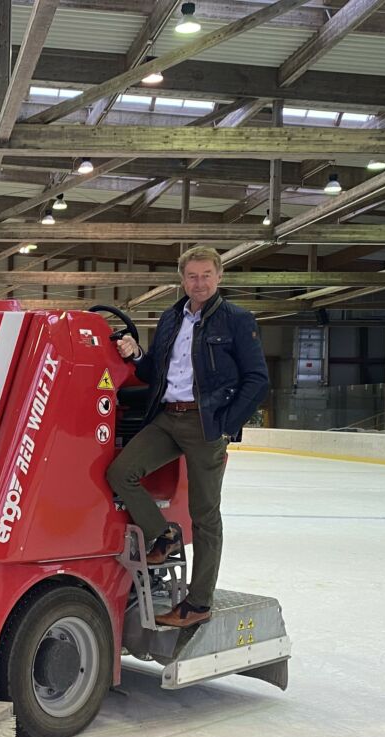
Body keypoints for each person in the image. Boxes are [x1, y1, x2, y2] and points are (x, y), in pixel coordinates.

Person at [106, 245, 269, 629]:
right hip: (167, 417)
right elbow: (154, 372)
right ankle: (162, 535)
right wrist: (134, 354)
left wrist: (226, 425)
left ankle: (198, 603)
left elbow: (257, 379)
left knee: (205, 516)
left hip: (206, 424)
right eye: (192, 276)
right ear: (182, 279)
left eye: (206, 275)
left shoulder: (236, 320)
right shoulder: (169, 319)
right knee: (121, 472)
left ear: (219, 277)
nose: (199, 283)